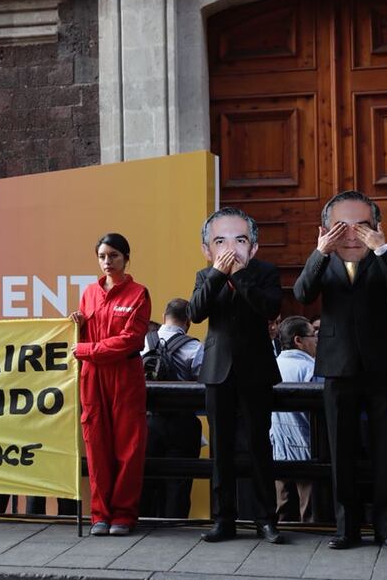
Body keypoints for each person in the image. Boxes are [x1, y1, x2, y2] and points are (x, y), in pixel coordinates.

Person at [293, 190, 387, 552]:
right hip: (337, 364)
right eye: (341, 226)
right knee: (340, 450)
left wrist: (381, 249)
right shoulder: (324, 259)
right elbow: (302, 293)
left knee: (386, 449)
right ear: (326, 229)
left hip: (381, 364)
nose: (351, 234)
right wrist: (319, 251)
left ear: (376, 227)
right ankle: (346, 528)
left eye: (361, 226)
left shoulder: (384, 258)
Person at [188, 207, 286, 544]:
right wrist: (218, 273)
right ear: (208, 249)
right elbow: (195, 312)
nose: (230, 247)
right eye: (220, 241)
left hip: (256, 371)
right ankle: (223, 520)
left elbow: (270, 308)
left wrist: (239, 275)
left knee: (260, 446)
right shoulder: (205, 275)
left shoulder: (265, 272)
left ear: (253, 246)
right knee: (221, 449)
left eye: (240, 240)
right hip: (217, 371)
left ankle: (266, 520)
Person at [70, 233, 151, 536]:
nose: (107, 262)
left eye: (114, 256)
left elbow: (131, 339)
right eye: (102, 256)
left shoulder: (139, 294)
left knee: (128, 448)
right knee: (96, 446)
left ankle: (124, 515)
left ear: (126, 258)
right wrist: (77, 326)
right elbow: (84, 338)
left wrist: (87, 350)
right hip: (93, 377)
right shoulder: (89, 293)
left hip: (125, 377)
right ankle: (99, 515)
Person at [139, 298, 203, 519]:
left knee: (145, 478)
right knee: (179, 481)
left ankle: (144, 521)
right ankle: (175, 525)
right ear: (188, 321)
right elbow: (204, 383)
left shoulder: (143, 343)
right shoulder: (194, 347)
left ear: (165, 315)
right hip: (182, 423)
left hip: (146, 421)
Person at [270, 316, 319, 523]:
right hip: (308, 449)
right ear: (298, 340)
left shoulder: (273, 365)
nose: (317, 340)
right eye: (313, 336)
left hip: (278, 450)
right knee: (310, 513)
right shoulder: (311, 369)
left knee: (283, 510)